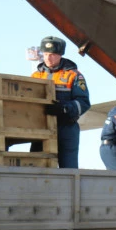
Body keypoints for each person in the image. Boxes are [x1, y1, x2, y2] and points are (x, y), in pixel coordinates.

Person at [31, 36, 90, 169]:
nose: (48, 58)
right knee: (35, 166)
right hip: (41, 129)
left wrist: (64, 109)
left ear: (60, 54)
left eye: (51, 54)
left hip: (66, 128)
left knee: (69, 169)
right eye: (45, 54)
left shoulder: (74, 75)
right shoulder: (36, 75)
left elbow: (84, 103)